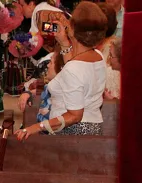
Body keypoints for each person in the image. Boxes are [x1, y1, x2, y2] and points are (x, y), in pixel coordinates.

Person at [15, 1, 107, 139]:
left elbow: (74, 116)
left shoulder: (73, 68)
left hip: (71, 134)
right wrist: (64, 42)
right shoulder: (98, 57)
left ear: (72, 28)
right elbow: (75, 73)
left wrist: (36, 127)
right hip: (92, 128)